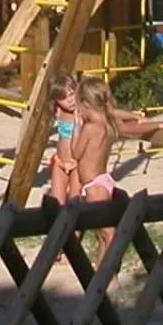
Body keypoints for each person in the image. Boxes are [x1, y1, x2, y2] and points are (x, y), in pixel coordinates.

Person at [69, 75, 121, 264]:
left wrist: (76, 127)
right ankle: (102, 270)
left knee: (108, 233)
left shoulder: (90, 127)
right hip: (103, 180)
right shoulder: (108, 123)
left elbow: (76, 153)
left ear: (85, 103)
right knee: (101, 235)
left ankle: (109, 270)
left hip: (94, 186)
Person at [44, 72, 80, 206]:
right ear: (56, 100)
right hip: (60, 161)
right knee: (56, 202)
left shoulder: (81, 112)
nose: (70, 100)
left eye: (72, 94)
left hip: (76, 163)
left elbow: (107, 114)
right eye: (63, 98)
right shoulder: (59, 111)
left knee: (74, 202)